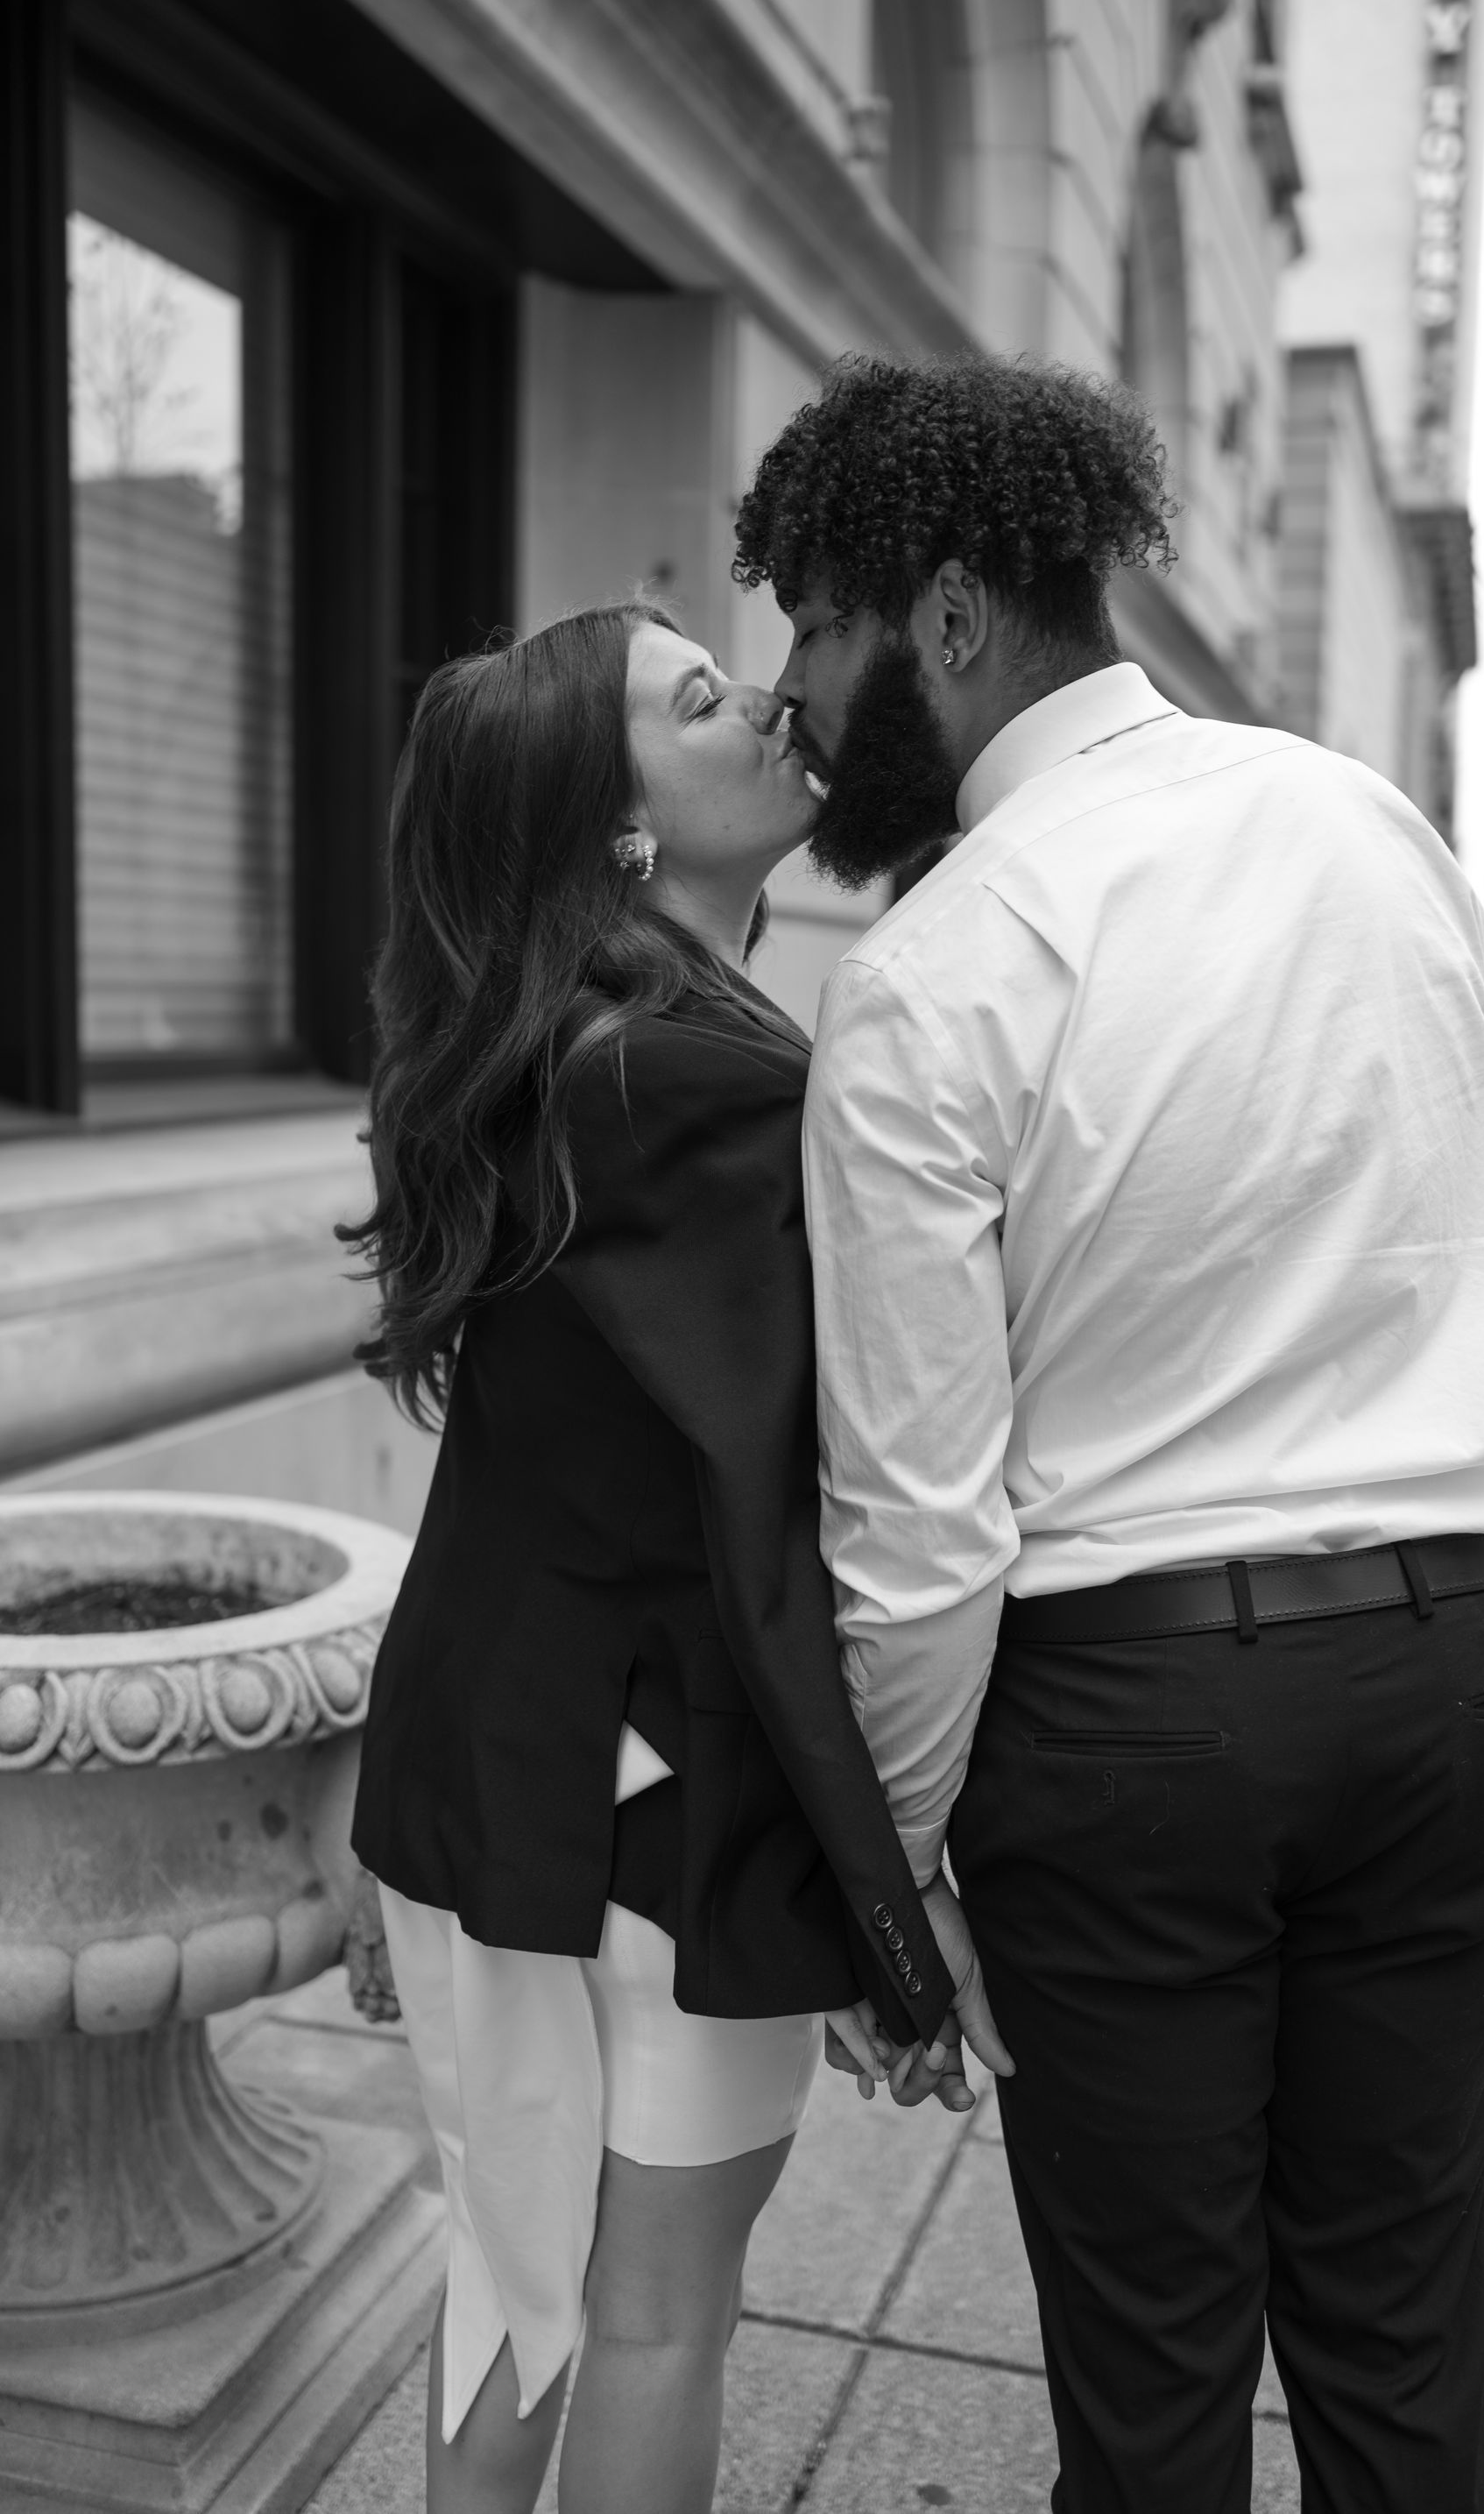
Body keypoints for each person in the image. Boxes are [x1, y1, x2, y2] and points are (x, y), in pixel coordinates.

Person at [733, 354, 1484, 2514]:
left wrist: (894, 1890)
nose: (791, 694)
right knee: (1404, 2356)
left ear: (943, 615)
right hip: (1446, 1680)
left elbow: (921, 1534)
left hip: (1131, 1733)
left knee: (1155, 2399)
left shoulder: (934, 971)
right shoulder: (1370, 826)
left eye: (812, 626)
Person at [342, 603, 1007, 2514]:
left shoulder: (553, 1057)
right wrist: (895, 1921)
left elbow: (526, 1484)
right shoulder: (697, 1085)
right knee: (646, 2321)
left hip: (503, 1772)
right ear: (616, 831)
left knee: (516, 2289)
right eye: (701, 699)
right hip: (645, 1802)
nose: (772, 700)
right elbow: (776, 1533)